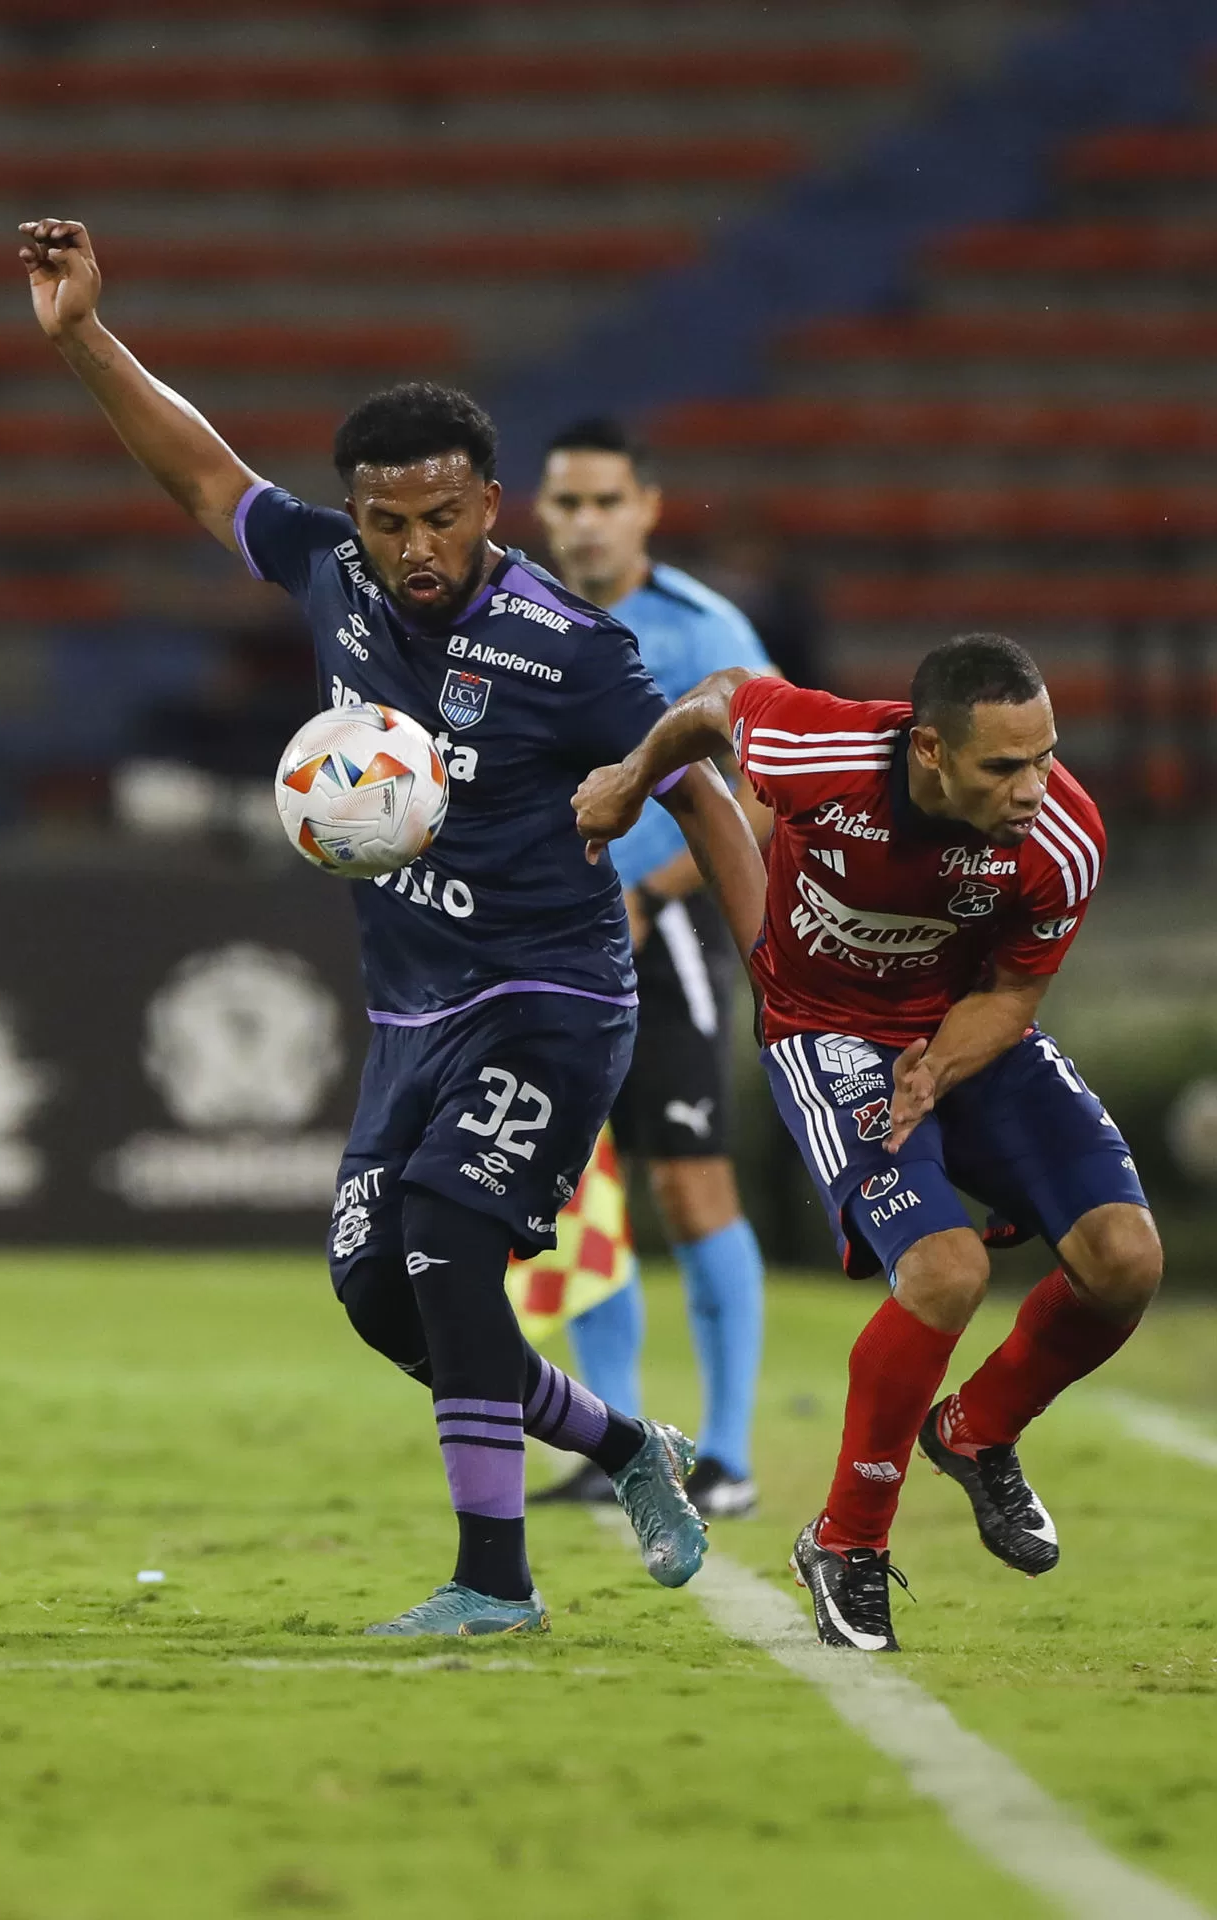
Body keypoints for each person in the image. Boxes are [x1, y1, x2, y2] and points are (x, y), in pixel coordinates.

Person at [19, 217, 768, 1637]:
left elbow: (707, 787)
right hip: (410, 1012)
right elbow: (201, 475)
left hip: (553, 998)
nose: (413, 549)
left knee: (443, 1233)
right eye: (385, 520)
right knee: (383, 1294)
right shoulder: (335, 576)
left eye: (440, 518)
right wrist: (79, 338)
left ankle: (496, 1586)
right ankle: (625, 1447)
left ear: (492, 504)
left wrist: (775, 974)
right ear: (356, 514)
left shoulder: (569, 648)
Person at [573, 633, 1161, 1651]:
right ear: (928, 750)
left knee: (1125, 1262)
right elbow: (717, 698)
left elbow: (1015, 991)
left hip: (966, 1025)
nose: (1033, 786)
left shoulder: (1061, 833)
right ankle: (845, 1542)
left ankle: (976, 1432)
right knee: (944, 1272)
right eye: (1003, 766)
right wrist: (632, 778)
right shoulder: (820, 749)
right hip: (825, 1031)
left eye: (1044, 754)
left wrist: (935, 1066)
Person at [531, 418, 771, 1517]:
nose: (584, 521)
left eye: (603, 501)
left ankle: (724, 1453)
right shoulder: (514, 619)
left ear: (646, 508)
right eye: (566, 502)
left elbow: (764, 788)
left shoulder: (699, 628)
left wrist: (653, 892)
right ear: (540, 511)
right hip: (543, 939)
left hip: (658, 937)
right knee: (577, 1192)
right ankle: (617, 1441)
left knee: (688, 1179)